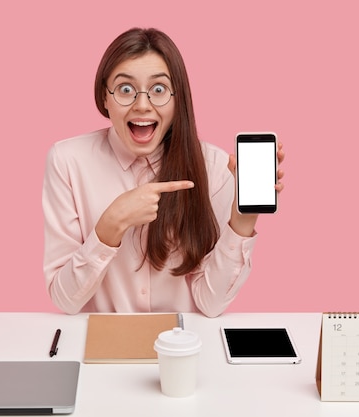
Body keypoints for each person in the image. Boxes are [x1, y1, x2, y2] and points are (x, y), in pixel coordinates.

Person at [43, 28, 285, 317]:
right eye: (125, 90)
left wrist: (242, 220)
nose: (142, 105)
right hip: (105, 349)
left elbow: (211, 303)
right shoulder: (68, 160)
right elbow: (65, 299)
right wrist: (110, 224)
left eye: (158, 90)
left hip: (183, 347)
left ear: (176, 98)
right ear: (104, 98)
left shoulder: (213, 166)